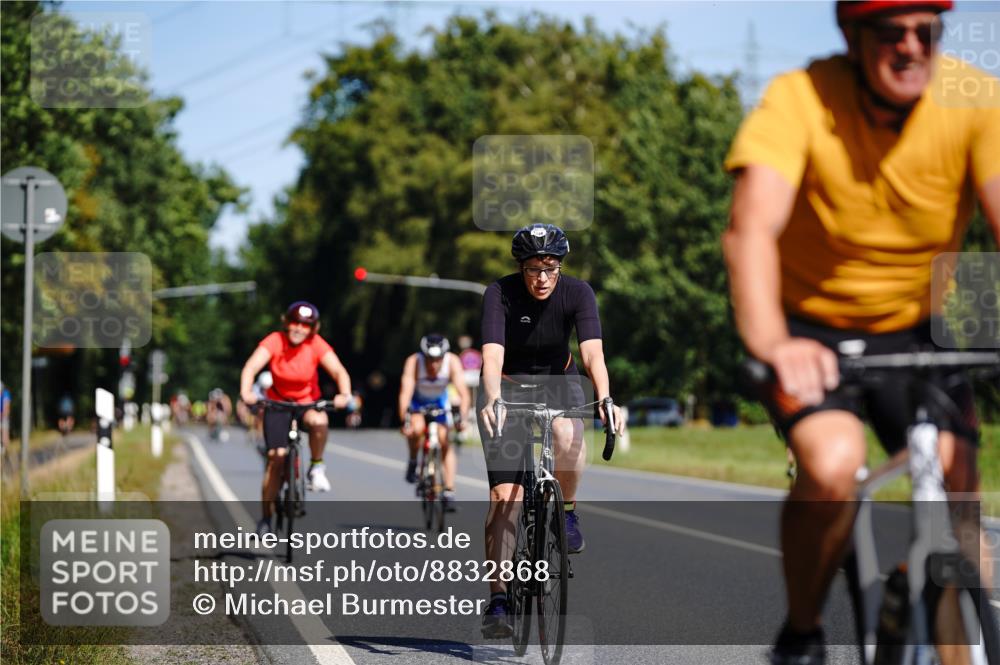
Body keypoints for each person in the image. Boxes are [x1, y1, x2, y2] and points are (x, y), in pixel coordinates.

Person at [722, 2, 1000, 662]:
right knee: (831, 463)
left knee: (962, 508)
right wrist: (774, 345)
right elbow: (750, 231)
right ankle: (803, 630)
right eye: (890, 32)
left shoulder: (975, 101)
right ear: (851, 35)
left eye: (925, 31)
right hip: (811, 333)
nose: (910, 47)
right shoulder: (801, 99)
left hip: (916, 329)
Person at [477, 223, 624, 638]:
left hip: (559, 382)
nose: (542, 278)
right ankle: (500, 599)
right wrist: (492, 398)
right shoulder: (499, 293)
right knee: (506, 498)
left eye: (551, 268)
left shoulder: (578, 292)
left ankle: (568, 512)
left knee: (567, 435)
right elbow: (491, 355)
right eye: (534, 269)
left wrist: (606, 397)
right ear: (521, 267)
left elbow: (592, 351)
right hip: (506, 386)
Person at [240, 301, 353, 536]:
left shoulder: (316, 344)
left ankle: (316, 468)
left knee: (320, 421)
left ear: (313, 328)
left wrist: (344, 394)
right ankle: (266, 519)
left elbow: (339, 371)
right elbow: (251, 367)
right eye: (295, 322)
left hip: (307, 402)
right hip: (277, 403)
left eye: (306, 325)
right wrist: (246, 392)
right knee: (276, 458)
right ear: (286, 322)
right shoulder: (274, 341)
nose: (299, 329)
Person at [397, 334, 471, 510]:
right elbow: (405, 394)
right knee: (416, 429)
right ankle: (414, 460)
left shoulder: (452, 362)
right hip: (418, 403)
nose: (433, 364)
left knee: (445, 440)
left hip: (439, 403)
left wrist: (463, 418)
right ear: (424, 356)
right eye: (430, 359)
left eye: (438, 360)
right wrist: (404, 421)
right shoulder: (414, 362)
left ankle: (449, 491)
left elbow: (464, 394)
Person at [0, 380, 11, 451]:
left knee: (4, 431)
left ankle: (6, 450)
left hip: (4, 416)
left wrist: (2, 416)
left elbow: (6, 407)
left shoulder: (5, 394)